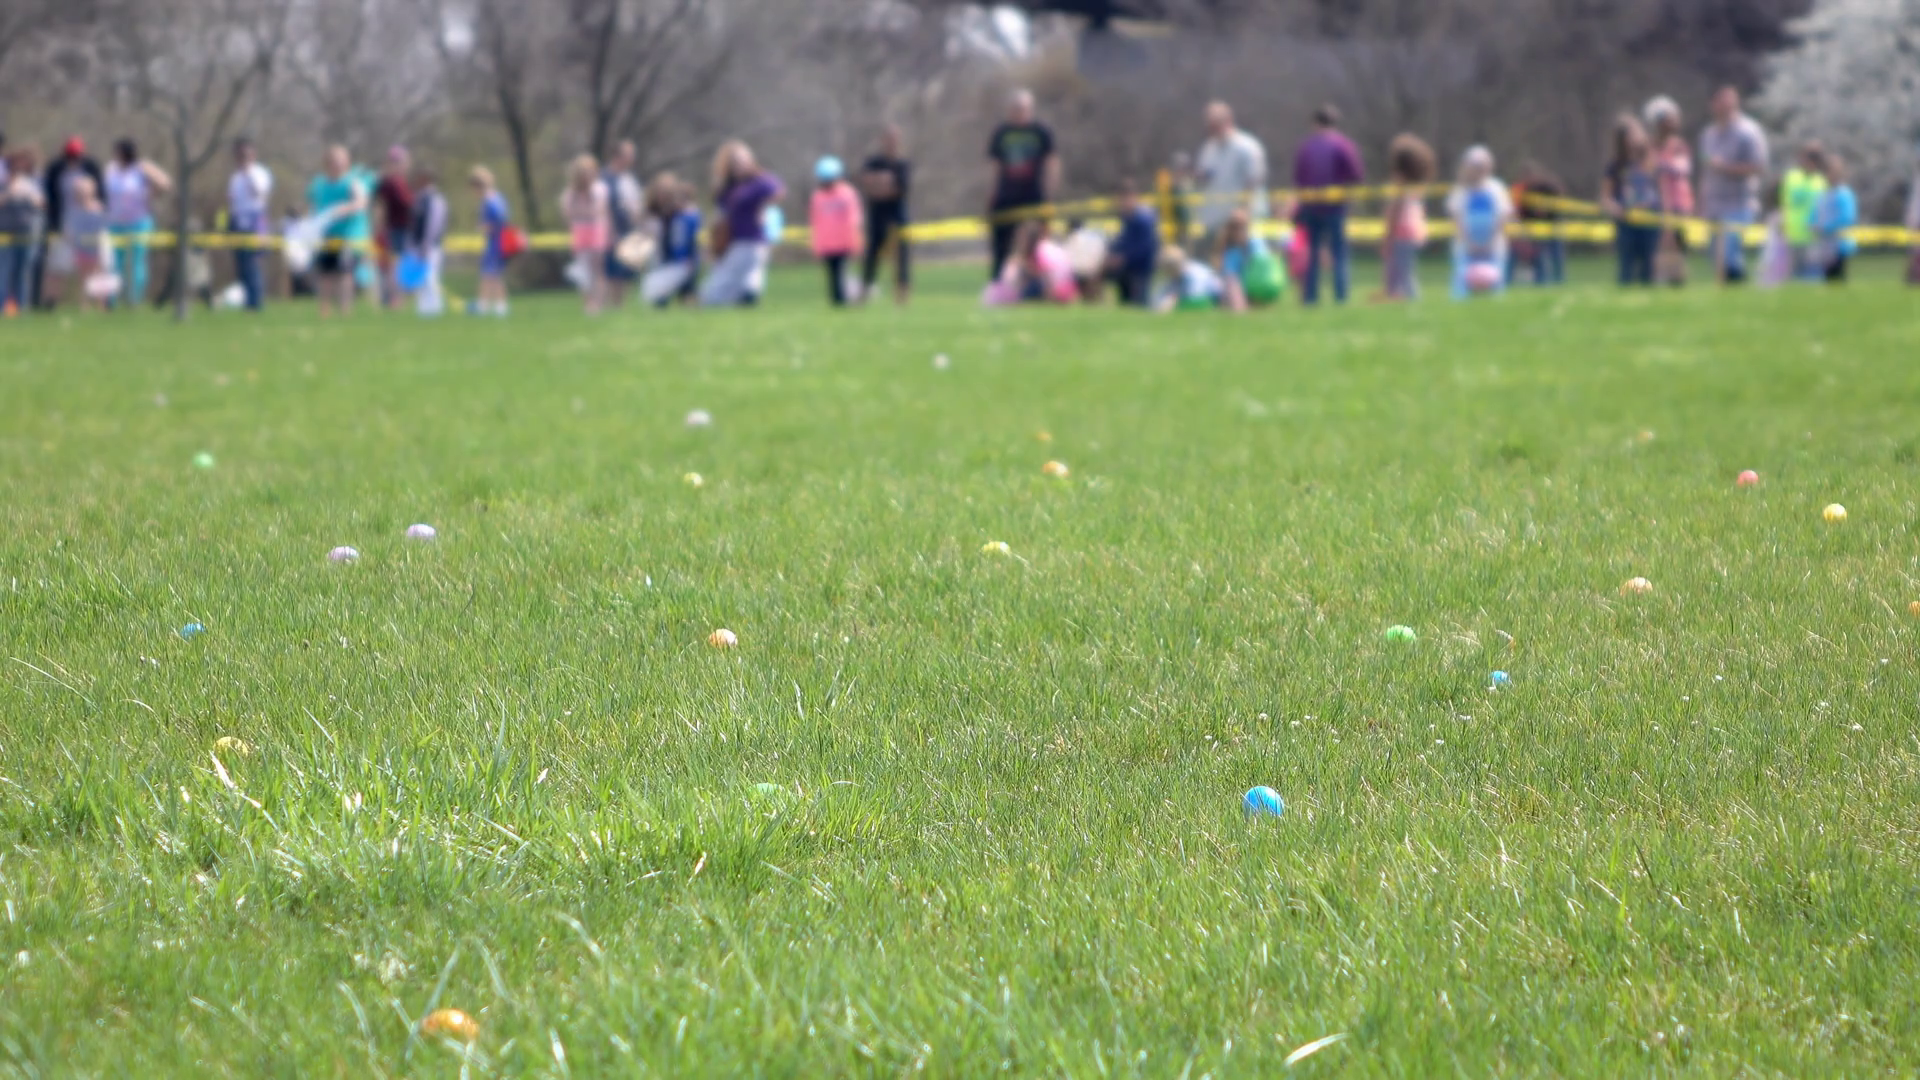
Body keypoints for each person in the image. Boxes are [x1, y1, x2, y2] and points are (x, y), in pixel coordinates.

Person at [1292, 103, 1365, 305]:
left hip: (1311, 207)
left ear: (1315, 123)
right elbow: (1356, 176)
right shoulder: (1344, 145)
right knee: (1339, 253)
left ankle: (1310, 297)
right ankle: (1341, 297)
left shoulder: (1307, 147)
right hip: (1336, 208)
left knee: (1312, 254)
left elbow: (1299, 178)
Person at [984, 90, 1060, 280]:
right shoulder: (1001, 133)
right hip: (1006, 197)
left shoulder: (1041, 132)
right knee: (1001, 246)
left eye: (1023, 108)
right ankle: (999, 285)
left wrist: (1049, 194)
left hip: (1033, 196)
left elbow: (1052, 163)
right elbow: (994, 167)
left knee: (1039, 245)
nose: (1019, 112)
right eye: (1015, 108)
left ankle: (1040, 284)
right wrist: (990, 196)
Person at [1698, 86, 1769, 285]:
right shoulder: (1708, 135)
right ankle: (1728, 296)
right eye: (1721, 101)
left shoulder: (1748, 132)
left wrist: (1726, 167)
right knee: (1716, 256)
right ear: (1713, 105)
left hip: (1738, 203)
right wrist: (1702, 200)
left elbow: (1759, 166)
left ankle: (1739, 290)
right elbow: (1706, 170)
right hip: (1714, 205)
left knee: (1729, 254)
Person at [701, 140, 785, 307]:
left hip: (753, 238)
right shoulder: (727, 187)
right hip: (733, 240)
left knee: (746, 275)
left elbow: (778, 191)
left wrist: (764, 207)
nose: (740, 166)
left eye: (743, 161)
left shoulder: (759, 181)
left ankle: (747, 295)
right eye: (735, 162)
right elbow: (721, 213)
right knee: (722, 284)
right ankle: (742, 296)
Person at [1193, 101, 1268, 260]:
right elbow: (1203, 177)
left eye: (1215, 125)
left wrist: (1244, 209)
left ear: (1228, 121)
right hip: (1214, 220)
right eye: (1209, 126)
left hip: (1242, 222)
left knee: (1247, 266)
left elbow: (1255, 179)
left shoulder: (1247, 146)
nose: (1211, 130)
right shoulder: (1209, 148)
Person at [102, 139, 171, 309]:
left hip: (139, 221)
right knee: (113, 263)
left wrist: (151, 192)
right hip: (115, 222)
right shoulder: (110, 169)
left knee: (137, 261)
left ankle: (134, 299)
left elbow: (165, 183)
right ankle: (112, 300)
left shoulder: (140, 168)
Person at [38, 138, 104, 310]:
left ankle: (99, 304)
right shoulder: (57, 171)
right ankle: (50, 302)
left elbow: (101, 198)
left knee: (93, 267)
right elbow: (51, 197)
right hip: (65, 223)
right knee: (58, 266)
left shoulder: (90, 170)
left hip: (88, 224)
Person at [308, 145, 369, 318]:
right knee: (325, 273)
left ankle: (345, 311)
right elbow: (314, 206)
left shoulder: (353, 182)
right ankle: (324, 311)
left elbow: (361, 203)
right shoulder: (319, 184)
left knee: (344, 272)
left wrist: (345, 208)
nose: (337, 164)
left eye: (340, 160)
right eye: (334, 161)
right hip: (327, 235)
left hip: (349, 235)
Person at [1601, 115, 1662, 287]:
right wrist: (1615, 208)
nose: (1636, 138)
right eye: (1631, 134)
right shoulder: (1616, 166)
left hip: (1650, 218)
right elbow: (1606, 196)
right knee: (1626, 265)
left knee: (1649, 264)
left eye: (1637, 132)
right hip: (1626, 221)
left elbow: (1661, 188)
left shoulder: (1650, 160)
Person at [1447, 145, 1512, 300]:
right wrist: (1470, 242)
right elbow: (1457, 218)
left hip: (1493, 246)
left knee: (1494, 281)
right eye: (1475, 166)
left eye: (1481, 166)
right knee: (1462, 282)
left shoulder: (1496, 189)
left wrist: (1490, 241)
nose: (1478, 170)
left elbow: (1503, 216)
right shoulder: (1461, 190)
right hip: (1466, 246)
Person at [1644, 96, 1693, 285]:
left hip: (1678, 205)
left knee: (1678, 249)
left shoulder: (1678, 146)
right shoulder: (1649, 146)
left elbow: (1682, 169)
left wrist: (1661, 164)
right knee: (1657, 249)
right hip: (1655, 206)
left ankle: (1677, 283)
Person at [1381, 133, 1433, 300]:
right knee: (1404, 270)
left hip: (1401, 233)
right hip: (1414, 233)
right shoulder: (1417, 187)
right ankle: (1401, 298)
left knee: (1402, 272)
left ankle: (1411, 299)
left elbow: (1395, 213)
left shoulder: (1401, 187)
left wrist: (1388, 236)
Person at [559, 154, 610, 314]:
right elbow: (567, 213)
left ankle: (598, 303)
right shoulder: (570, 192)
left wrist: (581, 212)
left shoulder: (599, 189)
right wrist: (583, 212)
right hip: (580, 232)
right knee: (583, 270)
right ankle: (588, 303)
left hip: (596, 231)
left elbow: (598, 211)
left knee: (597, 269)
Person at [809, 156, 863, 307]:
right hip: (827, 243)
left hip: (844, 242)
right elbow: (816, 221)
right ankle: (837, 300)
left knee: (842, 272)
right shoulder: (817, 197)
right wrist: (816, 244)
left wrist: (855, 239)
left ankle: (843, 299)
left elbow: (854, 218)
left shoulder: (847, 194)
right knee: (832, 274)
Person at [226, 137, 272, 312]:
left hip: (256, 220)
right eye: (239, 155)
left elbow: (259, 194)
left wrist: (248, 173)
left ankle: (256, 301)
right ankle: (247, 301)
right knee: (242, 264)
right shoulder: (235, 177)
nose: (242, 158)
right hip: (239, 221)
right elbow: (232, 200)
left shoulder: (259, 173)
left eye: (245, 154)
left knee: (254, 262)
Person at [982, 220, 1074, 306]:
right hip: (1062, 288)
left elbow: (1047, 276)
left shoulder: (1040, 251)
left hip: (1056, 290)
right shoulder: (1037, 251)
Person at [643, 172, 701, 307]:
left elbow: (694, 238)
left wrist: (694, 258)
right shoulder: (653, 213)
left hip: (683, 262)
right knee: (655, 297)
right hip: (661, 262)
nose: (662, 196)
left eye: (666, 193)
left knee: (688, 293)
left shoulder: (683, 214)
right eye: (660, 192)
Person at [0, 148, 46, 316]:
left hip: (25, 233)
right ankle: (2, 305)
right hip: (5, 234)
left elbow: (41, 203)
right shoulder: (3, 183)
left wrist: (28, 195)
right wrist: (8, 193)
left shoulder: (29, 184)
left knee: (23, 271)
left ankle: (22, 306)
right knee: (4, 271)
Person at [1102, 178, 1160, 308]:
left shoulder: (1143, 218)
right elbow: (1122, 241)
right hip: (1127, 269)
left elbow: (1146, 247)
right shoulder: (1127, 218)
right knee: (1126, 303)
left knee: (1139, 303)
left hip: (1140, 269)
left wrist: (1123, 258)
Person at [1508, 162, 1565, 286]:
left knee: (1556, 255)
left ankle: (1559, 280)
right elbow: (1522, 212)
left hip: (1552, 226)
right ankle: (1540, 281)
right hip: (1534, 229)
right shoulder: (1525, 191)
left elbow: (1559, 204)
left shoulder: (1548, 186)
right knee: (1538, 255)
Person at [601, 139, 643, 308]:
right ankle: (612, 303)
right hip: (613, 230)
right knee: (613, 270)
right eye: (628, 155)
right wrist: (610, 230)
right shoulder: (605, 178)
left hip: (630, 229)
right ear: (618, 156)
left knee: (626, 270)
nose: (632, 159)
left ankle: (621, 304)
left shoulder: (629, 179)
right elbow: (605, 206)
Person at [1216, 209, 1283, 311]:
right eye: (1235, 227)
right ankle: (1239, 305)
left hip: (1256, 284)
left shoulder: (1255, 243)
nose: (1238, 231)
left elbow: (1264, 268)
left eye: (1241, 227)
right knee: (1231, 280)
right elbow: (1230, 276)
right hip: (1239, 286)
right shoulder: (1231, 251)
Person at [373, 146, 414, 308]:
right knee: (394, 267)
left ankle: (398, 299)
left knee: (401, 266)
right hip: (395, 229)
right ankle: (393, 300)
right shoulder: (388, 183)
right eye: (395, 162)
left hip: (405, 229)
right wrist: (379, 229)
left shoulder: (402, 182)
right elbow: (380, 207)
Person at [1781, 142, 1828, 280]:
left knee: (1812, 275)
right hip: (1792, 233)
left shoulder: (1820, 182)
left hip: (1813, 235)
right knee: (1793, 275)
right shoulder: (1791, 177)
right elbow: (1784, 202)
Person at [64, 174, 109, 312]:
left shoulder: (98, 208)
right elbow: (69, 230)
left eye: (86, 191)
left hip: (97, 247)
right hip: (81, 248)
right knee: (83, 278)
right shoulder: (73, 211)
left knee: (99, 276)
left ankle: (101, 305)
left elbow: (104, 227)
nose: (83, 194)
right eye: (80, 192)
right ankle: (84, 305)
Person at [470, 165, 511, 316]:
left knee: (489, 274)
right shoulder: (498, 197)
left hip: (496, 243)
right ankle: (494, 305)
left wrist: (484, 227)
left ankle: (487, 305)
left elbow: (499, 221)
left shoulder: (489, 201)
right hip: (496, 242)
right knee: (493, 274)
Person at [408, 165, 448, 316]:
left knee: (431, 277)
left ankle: (434, 308)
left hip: (431, 247)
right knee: (421, 278)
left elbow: (434, 224)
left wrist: (426, 244)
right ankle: (424, 308)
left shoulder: (435, 199)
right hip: (418, 246)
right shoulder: (419, 198)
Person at [1812, 153, 1857, 284]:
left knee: (1836, 277)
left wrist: (1826, 227)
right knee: (1827, 277)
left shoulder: (1844, 193)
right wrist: (1812, 223)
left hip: (1840, 244)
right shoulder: (1823, 193)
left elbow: (1847, 218)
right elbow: (1816, 212)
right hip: (1826, 245)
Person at [1152, 246, 1223, 312]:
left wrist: (1175, 302)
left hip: (1216, 300)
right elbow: (1163, 294)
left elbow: (1197, 299)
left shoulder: (1195, 274)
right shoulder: (1175, 278)